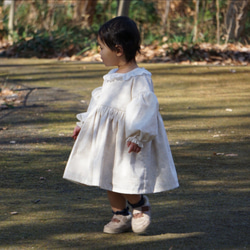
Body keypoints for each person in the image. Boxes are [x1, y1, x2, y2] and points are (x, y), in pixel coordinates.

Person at [63, 16, 179, 234]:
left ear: (118, 50)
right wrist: (85, 123)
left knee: (126, 175)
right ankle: (120, 214)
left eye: (101, 47)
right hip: (107, 136)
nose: (99, 52)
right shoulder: (111, 76)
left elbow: (145, 107)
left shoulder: (139, 78)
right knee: (106, 173)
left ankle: (139, 204)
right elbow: (99, 103)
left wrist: (137, 135)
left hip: (127, 137)